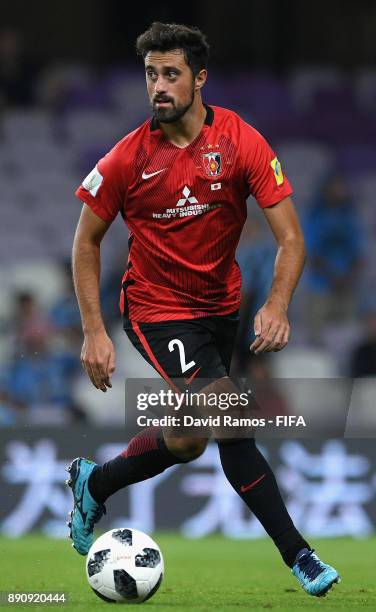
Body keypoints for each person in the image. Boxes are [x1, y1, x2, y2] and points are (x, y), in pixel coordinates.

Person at [67, 22, 340, 597]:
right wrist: (94, 331)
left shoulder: (240, 141)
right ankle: (301, 557)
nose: (158, 87)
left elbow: (291, 237)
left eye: (171, 74)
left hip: (221, 310)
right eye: (151, 75)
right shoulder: (127, 158)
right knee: (231, 417)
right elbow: (85, 241)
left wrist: (278, 303)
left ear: (200, 79)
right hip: (155, 308)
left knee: (190, 439)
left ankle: (96, 483)